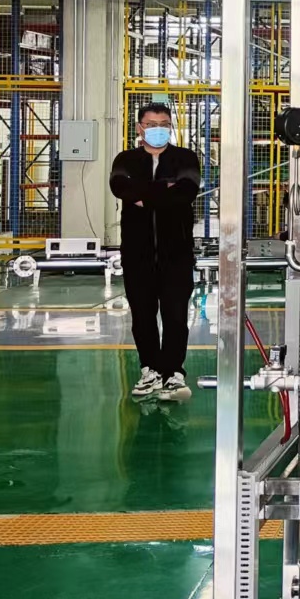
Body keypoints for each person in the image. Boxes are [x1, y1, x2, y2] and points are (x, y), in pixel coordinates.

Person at [110, 102, 201, 401]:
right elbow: (120, 187)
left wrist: (144, 194)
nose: (157, 129)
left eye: (163, 124)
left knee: (175, 315)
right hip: (137, 254)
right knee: (143, 316)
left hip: (177, 253)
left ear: (170, 126)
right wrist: (164, 189)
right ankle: (149, 369)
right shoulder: (125, 159)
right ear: (140, 128)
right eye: (151, 124)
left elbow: (186, 191)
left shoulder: (185, 158)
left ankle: (173, 372)